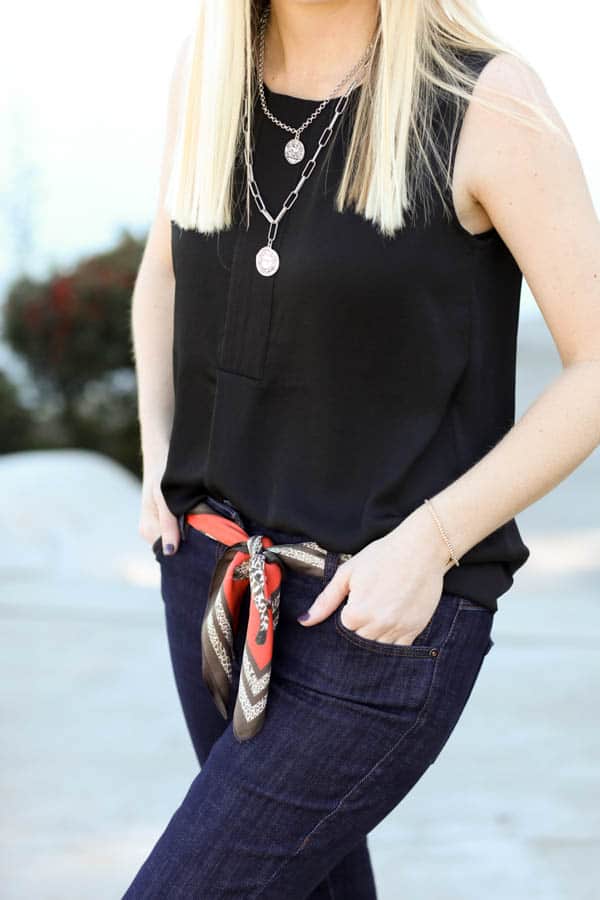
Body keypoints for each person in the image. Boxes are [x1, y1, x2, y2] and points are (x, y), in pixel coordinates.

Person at [125, 0, 600, 896]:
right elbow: (166, 270)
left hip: (380, 615)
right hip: (213, 583)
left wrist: (431, 540)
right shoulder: (213, 70)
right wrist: (157, 444)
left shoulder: (487, 100)